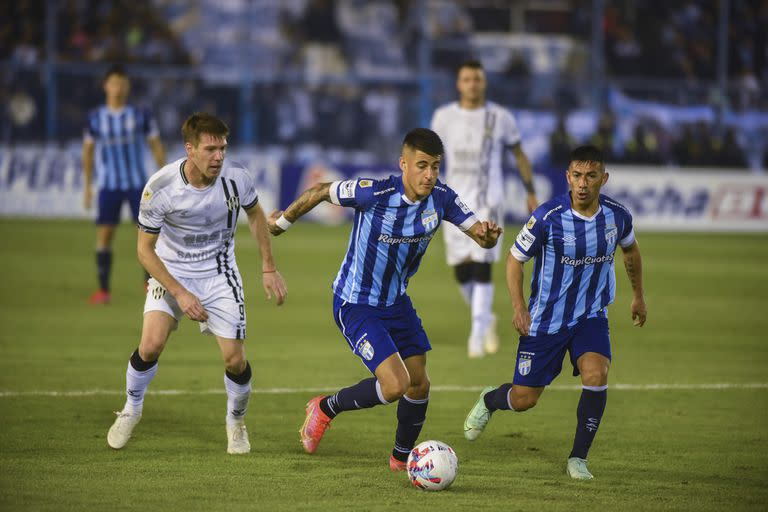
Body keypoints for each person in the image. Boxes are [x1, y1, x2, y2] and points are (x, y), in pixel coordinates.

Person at [267, 128, 502, 470]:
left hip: (396, 303)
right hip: (355, 302)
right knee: (395, 385)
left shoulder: (443, 198)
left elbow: (481, 235)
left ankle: (401, 459)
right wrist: (282, 223)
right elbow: (319, 191)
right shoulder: (372, 193)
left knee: (419, 383)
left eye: (435, 166)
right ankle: (324, 408)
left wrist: (488, 237)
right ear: (403, 164)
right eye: (422, 166)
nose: (429, 175)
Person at [106, 113, 287, 454]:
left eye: (223, 148)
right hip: (171, 271)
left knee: (235, 360)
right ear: (190, 149)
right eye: (210, 149)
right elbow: (144, 251)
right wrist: (180, 292)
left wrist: (268, 267)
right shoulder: (160, 188)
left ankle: (235, 423)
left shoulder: (237, 179)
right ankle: (131, 408)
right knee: (150, 346)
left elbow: (256, 214)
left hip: (219, 273)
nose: (218, 157)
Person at [463, 145, 647, 480]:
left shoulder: (617, 216)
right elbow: (514, 260)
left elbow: (631, 250)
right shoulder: (548, 217)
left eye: (591, 176)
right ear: (568, 177)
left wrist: (638, 296)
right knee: (524, 400)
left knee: (596, 375)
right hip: (545, 320)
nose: (583, 183)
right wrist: (519, 308)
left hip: (591, 316)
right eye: (577, 175)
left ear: (603, 178)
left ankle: (578, 458)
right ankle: (490, 400)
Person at [430, 59, 538, 358]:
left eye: (477, 79)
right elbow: (431, 157)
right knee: (462, 271)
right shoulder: (443, 117)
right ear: (458, 84)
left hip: (488, 200)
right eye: (467, 79)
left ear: (484, 83)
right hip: (452, 200)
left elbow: (519, 154)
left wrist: (530, 191)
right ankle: (487, 318)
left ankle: (477, 334)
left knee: (481, 265)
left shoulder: (499, 117)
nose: (472, 84)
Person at [83, 64, 166, 304]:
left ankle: (150, 284)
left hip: (138, 185)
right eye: (113, 83)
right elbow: (87, 152)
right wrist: (88, 186)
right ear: (106, 86)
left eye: (122, 83)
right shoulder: (95, 118)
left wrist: (163, 178)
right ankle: (103, 290)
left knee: (147, 235)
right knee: (105, 234)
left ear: (127, 87)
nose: (118, 88)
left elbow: (156, 146)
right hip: (108, 185)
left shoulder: (140, 115)